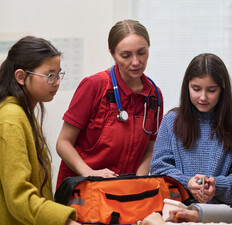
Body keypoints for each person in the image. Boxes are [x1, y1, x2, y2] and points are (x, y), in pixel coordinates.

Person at [0, 36, 101, 225]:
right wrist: (65, 224)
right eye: (49, 75)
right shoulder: (11, 118)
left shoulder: (23, 113)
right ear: (21, 77)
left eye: (58, 75)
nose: (56, 83)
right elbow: (19, 196)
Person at [56, 19, 163, 188]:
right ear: (113, 54)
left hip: (125, 191)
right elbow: (63, 143)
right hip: (84, 189)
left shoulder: (154, 96)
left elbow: (150, 147)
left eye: (141, 53)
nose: (135, 62)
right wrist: (90, 173)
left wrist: (139, 181)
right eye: (126, 55)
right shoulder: (94, 86)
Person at [150, 53, 232, 207]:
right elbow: (159, 167)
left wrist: (217, 186)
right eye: (196, 89)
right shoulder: (171, 121)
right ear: (187, 86)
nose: (203, 97)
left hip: (223, 218)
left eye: (211, 90)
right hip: (179, 214)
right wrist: (187, 182)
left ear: (222, 90)